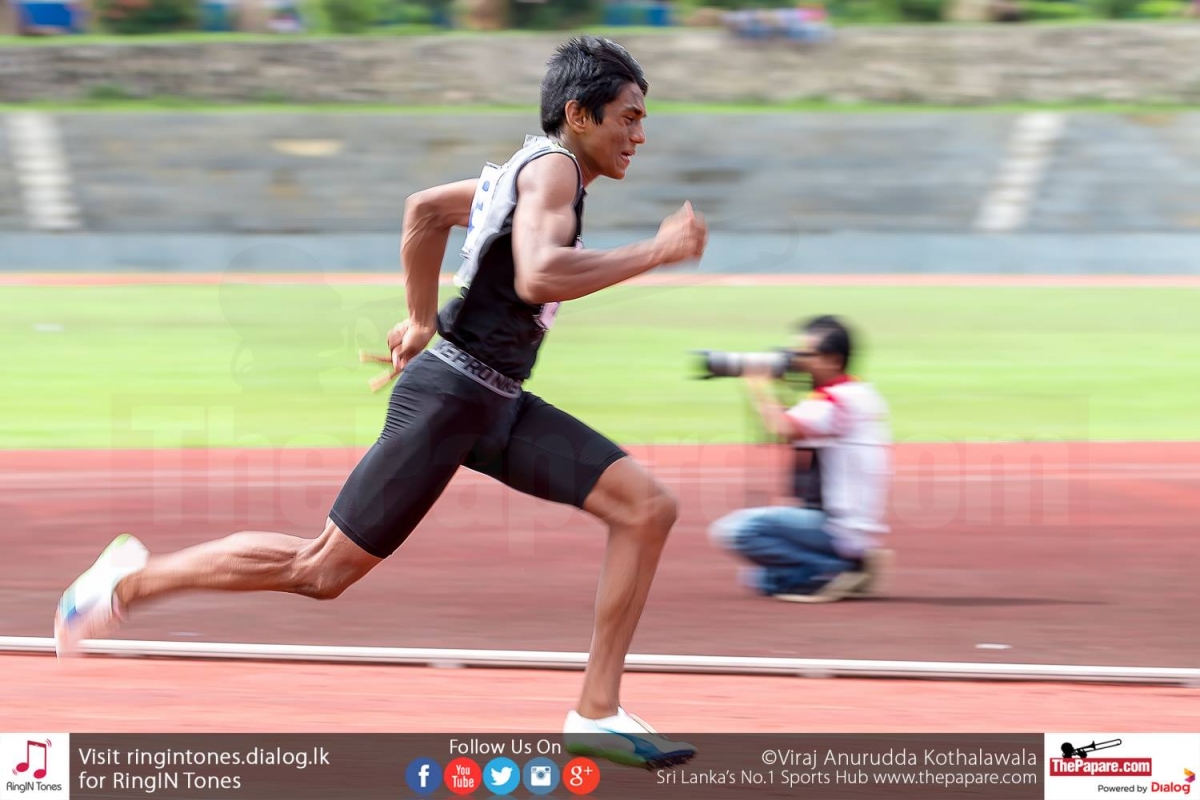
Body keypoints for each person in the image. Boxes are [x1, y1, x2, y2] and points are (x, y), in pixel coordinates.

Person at [54, 36, 706, 770]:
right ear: (579, 114)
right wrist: (656, 252)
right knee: (320, 570)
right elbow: (539, 275)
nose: (639, 135)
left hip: (493, 399)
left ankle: (597, 712)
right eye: (629, 117)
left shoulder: (524, 171)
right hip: (452, 397)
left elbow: (425, 211)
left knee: (646, 508)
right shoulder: (554, 170)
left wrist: (421, 319)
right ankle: (130, 579)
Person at [709, 315, 894, 603]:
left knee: (736, 530)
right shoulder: (858, 393)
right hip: (850, 523)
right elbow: (796, 430)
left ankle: (834, 570)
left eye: (805, 354)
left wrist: (757, 383)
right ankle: (846, 562)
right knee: (761, 578)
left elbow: (782, 429)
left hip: (836, 525)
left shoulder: (835, 400)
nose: (795, 360)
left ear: (833, 360)